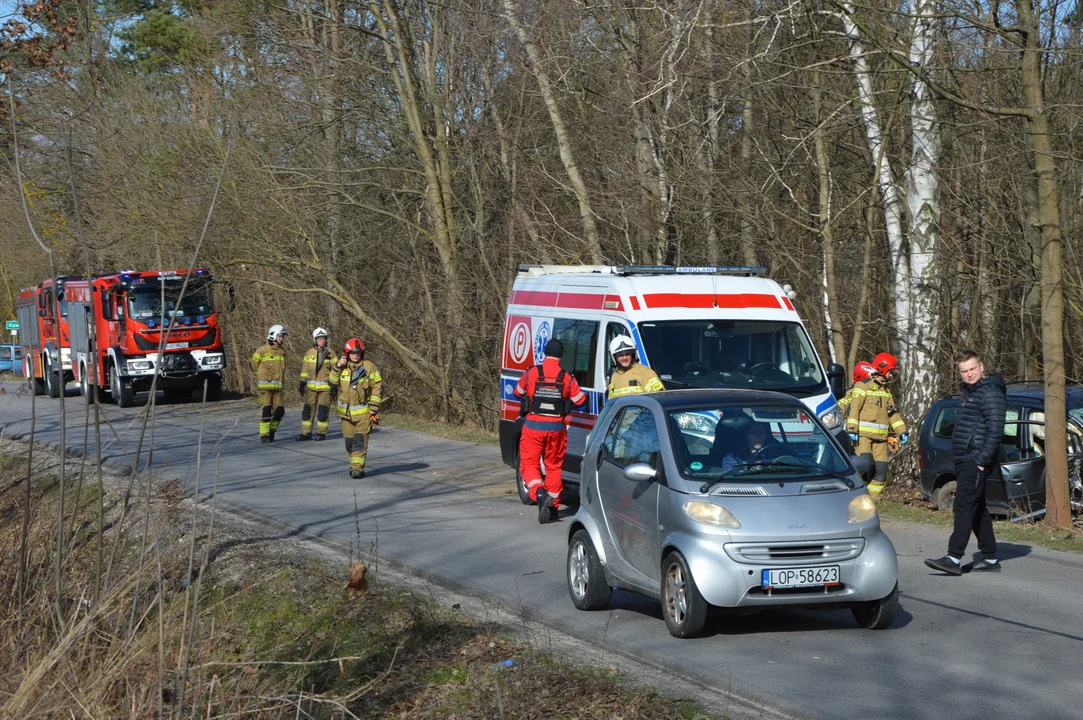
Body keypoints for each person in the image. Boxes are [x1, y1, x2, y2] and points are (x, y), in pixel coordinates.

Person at [925, 350, 1006, 575]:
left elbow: (996, 430)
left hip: (975, 458)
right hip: (965, 458)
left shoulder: (989, 392)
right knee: (977, 507)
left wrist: (981, 460)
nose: (969, 374)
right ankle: (989, 559)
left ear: (981, 367)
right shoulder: (970, 391)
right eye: (964, 371)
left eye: (972, 369)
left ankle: (953, 557)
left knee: (963, 505)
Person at [514, 339, 586, 524]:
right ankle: (552, 508)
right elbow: (580, 400)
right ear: (561, 356)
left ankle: (539, 494)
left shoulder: (532, 373)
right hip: (556, 429)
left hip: (533, 427)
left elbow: (517, 391)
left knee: (528, 465)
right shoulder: (567, 377)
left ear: (545, 353)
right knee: (554, 467)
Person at [846, 352, 908, 496]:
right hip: (863, 437)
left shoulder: (886, 391)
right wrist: (852, 430)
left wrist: (902, 431)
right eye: (891, 372)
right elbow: (854, 410)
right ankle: (855, 496)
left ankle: (871, 502)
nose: (892, 376)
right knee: (865, 465)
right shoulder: (863, 386)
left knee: (880, 474)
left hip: (881, 439)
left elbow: (892, 414)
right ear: (883, 369)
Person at [330, 337, 382, 479]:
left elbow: (377, 385)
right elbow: (332, 383)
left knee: (359, 442)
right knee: (349, 444)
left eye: (358, 352)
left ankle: (357, 468)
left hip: (363, 414)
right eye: (353, 352)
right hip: (346, 415)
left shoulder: (369, 367)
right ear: (347, 353)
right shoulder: (342, 366)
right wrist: (338, 366)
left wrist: (374, 406)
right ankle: (354, 464)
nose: (355, 355)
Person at [297, 327, 337, 442]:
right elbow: (305, 368)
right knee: (308, 411)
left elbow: (336, 370)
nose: (322, 341)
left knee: (323, 411)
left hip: (325, 389)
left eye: (324, 339)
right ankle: (306, 433)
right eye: (320, 339)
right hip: (311, 389)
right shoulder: (309, 353)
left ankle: (321, 433)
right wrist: (302, 381)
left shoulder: (331, 353)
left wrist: (335, 385)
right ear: (315, 340)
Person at [251, 324, 288, 442]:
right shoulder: (262, 350)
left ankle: (272, 430)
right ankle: (264, 435)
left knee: (280, 411)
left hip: (277, 387)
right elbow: (253, 365)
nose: (282, 339)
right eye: (280, 336)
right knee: (266, 410)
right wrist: (261, 375)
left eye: (282, 337)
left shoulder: (282, 352)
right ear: (273, 336)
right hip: (265, 387)